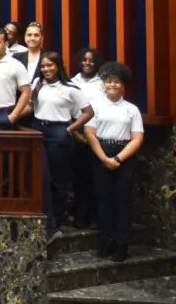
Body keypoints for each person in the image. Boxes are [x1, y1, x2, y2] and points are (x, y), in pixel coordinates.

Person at [29, 52, 94, 241]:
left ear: (58, 66)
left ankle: (56, 222)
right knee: (43, 178)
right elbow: (32, 107)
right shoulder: (37, 84)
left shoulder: (71, 88)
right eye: (43, 66)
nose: (46, 69)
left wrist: (71, 128)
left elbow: (88, 112)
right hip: (38, 129)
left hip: (59, 132)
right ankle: (46, 222)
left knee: (59, 180)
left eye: (50, 65)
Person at [84, 62, 144, 262]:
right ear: (104, 84)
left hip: (124, 155)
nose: (112, 85)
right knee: (103, 200)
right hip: (100, 153)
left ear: (123, 85)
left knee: (122, 201)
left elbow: (137, 138)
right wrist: (104, 158)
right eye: (109, 82)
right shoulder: (96, 106)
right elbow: (90, 134)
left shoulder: (132, 109)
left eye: (117, 82)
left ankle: (122, 244)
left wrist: (118, 158)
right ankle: (106, 241)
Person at [71, 47, 105, 227]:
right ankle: (80, 216)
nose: (87, 63)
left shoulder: (103, 82)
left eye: (91, 60)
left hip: (99, 133)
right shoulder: (72, 81)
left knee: (97, 177)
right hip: (78, 132)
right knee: (80, 178)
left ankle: (95, 216)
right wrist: (76, 133)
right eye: (84, 60)